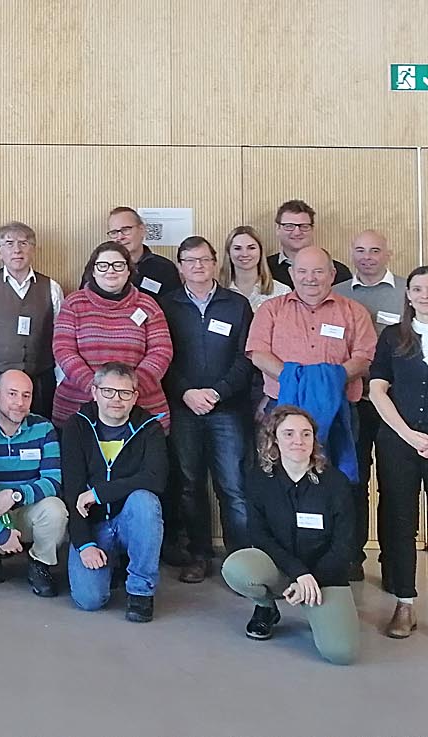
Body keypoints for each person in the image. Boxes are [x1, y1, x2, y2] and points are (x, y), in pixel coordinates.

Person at [246, 247, 377, 582]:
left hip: (341, 411)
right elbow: (258, 353)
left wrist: (327, 382)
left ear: (333, 275)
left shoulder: (354, 311)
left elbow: (363, 358)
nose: (310, 279)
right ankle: (281, 560)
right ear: (291, 275)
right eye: (303, 272)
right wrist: (298, 379)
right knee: (277, 481)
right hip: (282, 412)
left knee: (344, 483)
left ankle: (345, 558)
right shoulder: (271, 310)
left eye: (319, 271)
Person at [368, 266, 428, 646]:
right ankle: (404, 603)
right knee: (399, 524)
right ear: (407, 296)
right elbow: (377, 390)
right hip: (398, 446)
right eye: (417, 289)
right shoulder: (393, 338)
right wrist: (407, 435)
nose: (425, 295)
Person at [222, 406, 360, 665]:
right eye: (288, 433)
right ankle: (266, 607)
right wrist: (298, 573)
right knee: (237, 568)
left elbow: (345, 544)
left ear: (314, 441)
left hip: (325, 576)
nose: (298, 440)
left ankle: (314, 606)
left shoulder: (336, 483)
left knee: (341, 653)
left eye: (306, 434)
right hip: (282, 567)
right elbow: (259, 536)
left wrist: (312, 579)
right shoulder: (259, 480)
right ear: (273, 439)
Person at [159, 236, 254, 583]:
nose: (197, 266)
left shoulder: (237, 305)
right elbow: (161, 357)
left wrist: (217, 392)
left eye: (204, 259)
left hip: (227, 408)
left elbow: (248, 357)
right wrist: (185, 393)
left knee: (233, 486)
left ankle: (242, 562)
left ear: (216, 263)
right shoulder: (165, 305)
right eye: (189, 260)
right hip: (183, 409)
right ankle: (199, 554)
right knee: (188, 484)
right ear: (180, 267)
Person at [62, 362, 168, 622]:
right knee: (89, 600)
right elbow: (73, 491)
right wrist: (85, 544)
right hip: (94, 525)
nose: (116, 400)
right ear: (94, 392)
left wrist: (99, 493)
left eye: (124, 393)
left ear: (135, 397)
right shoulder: (76, 427)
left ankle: (141, 592)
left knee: (145, 501)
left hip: (130, 520)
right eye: (108, 391)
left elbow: (155, 479)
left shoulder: (149, 427)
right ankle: (111, 567)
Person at [337, 229, 405, 587]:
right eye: (360, 250)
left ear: (388, 253)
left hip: (400, 407)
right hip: (356, 403)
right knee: (354, 481)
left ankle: (395, 562)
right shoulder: (338, 294)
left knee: (395, 485)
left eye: (375, 250)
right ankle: (354, 555)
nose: (367, 257)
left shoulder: (411, 291)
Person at [0, 370, 66, 598]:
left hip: (28, 508)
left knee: (56, 510)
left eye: (26, 395)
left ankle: (40, 563)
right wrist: (0, 533)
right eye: (12, 394)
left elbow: (53, 482)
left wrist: (16, 495)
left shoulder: (44, 429)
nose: (19, 403)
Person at [52, 242, 173, 429]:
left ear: (128, 271)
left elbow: (162, 351)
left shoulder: (148, 305)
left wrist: (127, 392)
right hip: (79, 405)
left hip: (141, 406)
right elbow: (63, 349)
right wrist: (96, 390)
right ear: (93, 271)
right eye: (103, 265)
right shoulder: (74, 304)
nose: (111, 271)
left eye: (118, 265)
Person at [0, 221, 63, 419]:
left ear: (33, 250)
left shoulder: (52, 288)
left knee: (38, 435)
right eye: (9, 243)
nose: (17, 250)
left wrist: (62, 384)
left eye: (23, 243)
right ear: (0, 252)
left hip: (40, 380)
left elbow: (61, 340)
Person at [266, 200, 353, 288]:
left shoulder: (338, 271)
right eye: (289, 226)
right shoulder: (263, 269)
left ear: (312, 229)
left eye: (304, 226)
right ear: (277, 229)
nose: (297, 232)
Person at [105, 207, 180, 299]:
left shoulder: (164, 268)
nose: (120, 237)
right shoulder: (100, 267)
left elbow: (174, 306)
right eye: (114, 232)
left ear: (142, 229)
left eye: (126, 230)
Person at [220, 225, 292, 310]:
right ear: (229, 253)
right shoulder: (217, 292)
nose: (245, 254)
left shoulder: (282, 292)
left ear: (261, 251)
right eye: (237, 248)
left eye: (251, 248)